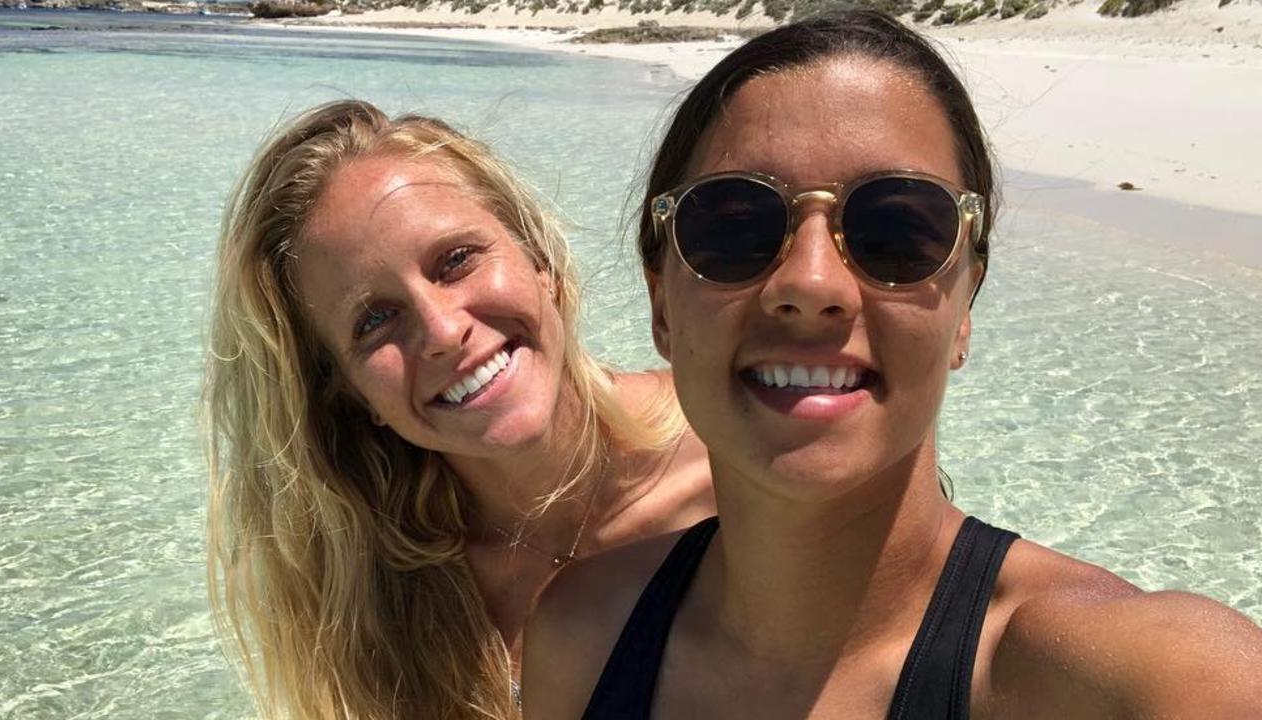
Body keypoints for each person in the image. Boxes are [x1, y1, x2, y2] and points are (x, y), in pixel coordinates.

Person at [522, 11, 1262, 719]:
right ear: (661, 306)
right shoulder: (582, 633)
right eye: (735, 228)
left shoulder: (1153, 684)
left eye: (896, 231)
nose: (811, 283)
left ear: (964, 306)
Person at [203, 100, 713, 720]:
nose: (443, 332)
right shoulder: (387, 608)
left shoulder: (733, 456)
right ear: (351, 394)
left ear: (539, 261)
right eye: (374, 319)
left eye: (456, 260)